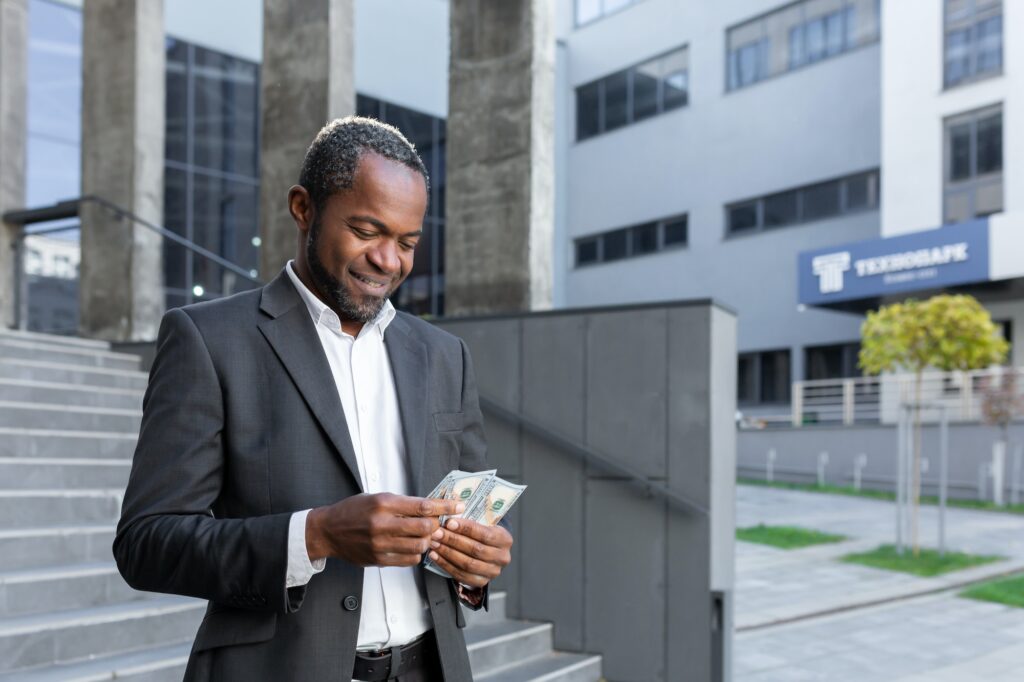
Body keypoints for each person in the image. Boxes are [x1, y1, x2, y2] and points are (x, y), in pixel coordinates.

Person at [114, 116, 513, 682]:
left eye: (406, 242)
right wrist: (315, 534)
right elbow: (146, 543)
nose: (388, 261)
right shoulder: (209, 340)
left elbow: (467, 519)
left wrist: (476, 567)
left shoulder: (445, 354)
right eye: (367, 230)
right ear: (303, 208)